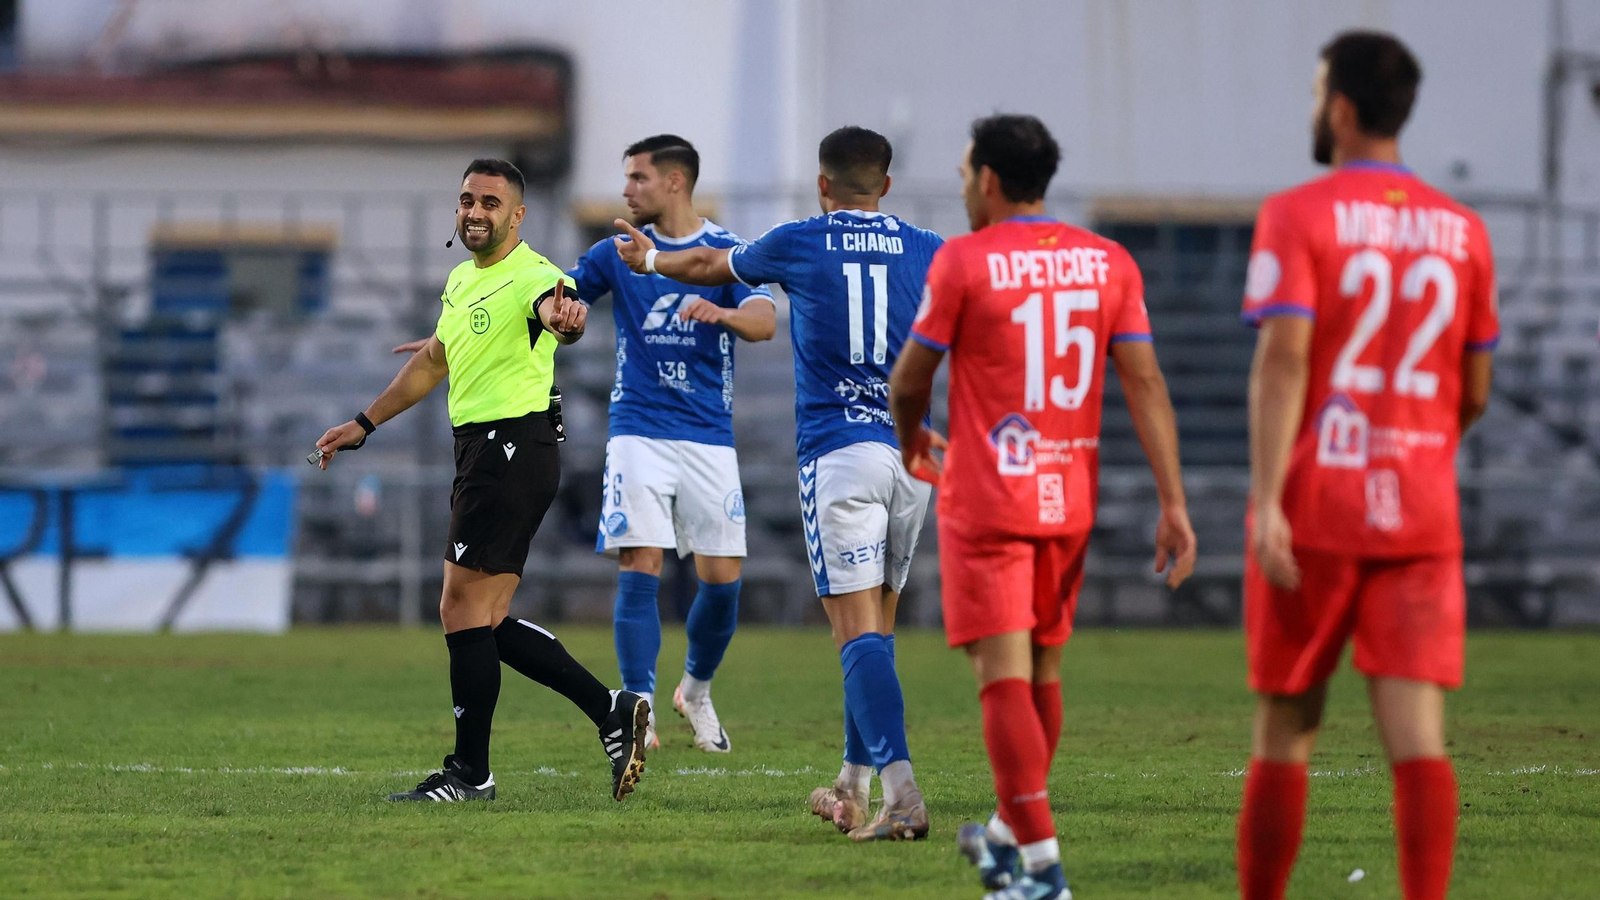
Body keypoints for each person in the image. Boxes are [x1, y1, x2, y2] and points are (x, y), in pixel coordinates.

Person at [889, 114, 1196, 900]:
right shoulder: (1109, 261)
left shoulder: (966, 261)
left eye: (964, 174)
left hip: (990, 498)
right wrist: (1173, 502)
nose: (962, 187)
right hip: (1069, 497)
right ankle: (1002, 834)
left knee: (1001, 678)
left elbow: (910, 378)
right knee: (1043, 670)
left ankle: (1042, 872)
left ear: (989, 180)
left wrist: (914, 435)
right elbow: (1147, 384)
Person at [613, 126, 942, 842]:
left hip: (839, 455)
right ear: (885, 185)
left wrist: (652, 258)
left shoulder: (801, 238)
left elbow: (707, 261)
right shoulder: (929, 248)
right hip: (910, 458)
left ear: (822, 185)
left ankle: (903, 792)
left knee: (856, 636)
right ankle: (853, 787)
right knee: (877, 633)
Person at [1234, 32, 1497, 900]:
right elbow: (1475, 387)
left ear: (1340, 108)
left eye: (1316, 92)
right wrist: (1419, 448)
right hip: (1420, 506)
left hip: (1321, 507)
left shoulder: (1299, 214)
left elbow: (1284, 361)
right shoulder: (1464, 232)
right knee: (1418, 739)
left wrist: (1268, 500)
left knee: (1286, 726)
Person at [315, 158, 650, 804]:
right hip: (486, 452)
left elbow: (559, 312)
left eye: (490, 203)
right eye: (467, 199)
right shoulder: (463, 281)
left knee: (460, 608)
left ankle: (472, 773)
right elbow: (434, 361)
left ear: (517, 215)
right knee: (480, 617)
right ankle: (610, 709)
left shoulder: (536, 277)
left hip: (512, 448)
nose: (474, 212)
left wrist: (566, 321)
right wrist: (364, 421)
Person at [565, 135, 777, 753]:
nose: (626, 190)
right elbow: (564, 302)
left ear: (675, 182)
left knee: (723, 580)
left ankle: (696, 691)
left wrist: (724, 315)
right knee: (640, 564)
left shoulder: (728, 253)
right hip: (638, 429)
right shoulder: (614, 253)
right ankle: (639, 707)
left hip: (709, 436)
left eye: (637, 179)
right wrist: (563, 317)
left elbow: (765, 321)